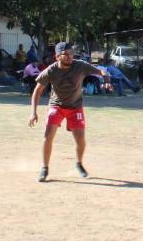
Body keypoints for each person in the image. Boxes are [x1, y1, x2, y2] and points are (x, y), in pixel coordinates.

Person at [29, 42, 112, 182]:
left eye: (71, 53)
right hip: (57, 106)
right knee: (48, 135)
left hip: (75, 107)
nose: (69, 56)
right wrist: (33, 112)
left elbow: (102, 71)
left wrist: (107, 79)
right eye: (65, 54)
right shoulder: (51, 70)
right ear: (57, 56)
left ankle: (79, 164)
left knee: (80, 139)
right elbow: (37, 91)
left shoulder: (80, 66)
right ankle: (44, 168)